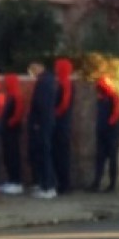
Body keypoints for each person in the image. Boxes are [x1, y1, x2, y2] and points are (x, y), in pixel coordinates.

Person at [27, 62, 57, 199]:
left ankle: (47, 187)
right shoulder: (49, 81)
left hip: (43, 123)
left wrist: (37, 122)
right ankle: (47, 185)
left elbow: (41, 104)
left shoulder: (43, 82)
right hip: (47, 121)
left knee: (44, 154)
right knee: (45, 153)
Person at [89, 75, 119, 193]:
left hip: (110, 131)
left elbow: (116, 113)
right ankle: (97, 183)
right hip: (104, 131)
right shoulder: (103, 98)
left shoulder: (113, 97)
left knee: (111, 158)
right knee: (101, 158)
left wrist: (108, 124)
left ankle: (110, 184)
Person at [0, 74, 25, 195]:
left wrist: (10, 123)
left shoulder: (16, 95)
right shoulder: (9, 95)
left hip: (12, 130)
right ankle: (11, 180)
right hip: (7, 130)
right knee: (8, 155)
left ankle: (16, 181)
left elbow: (18, 113)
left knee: (13, 155)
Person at [52, 58, 75, 195]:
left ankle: (64, 184)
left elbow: (64, 104)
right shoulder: (64, 83)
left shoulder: (65, 83)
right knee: (61, 154)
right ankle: (63, 183)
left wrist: (55, 114)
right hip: (63, 123)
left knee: (61, 154)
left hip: (61, 124)